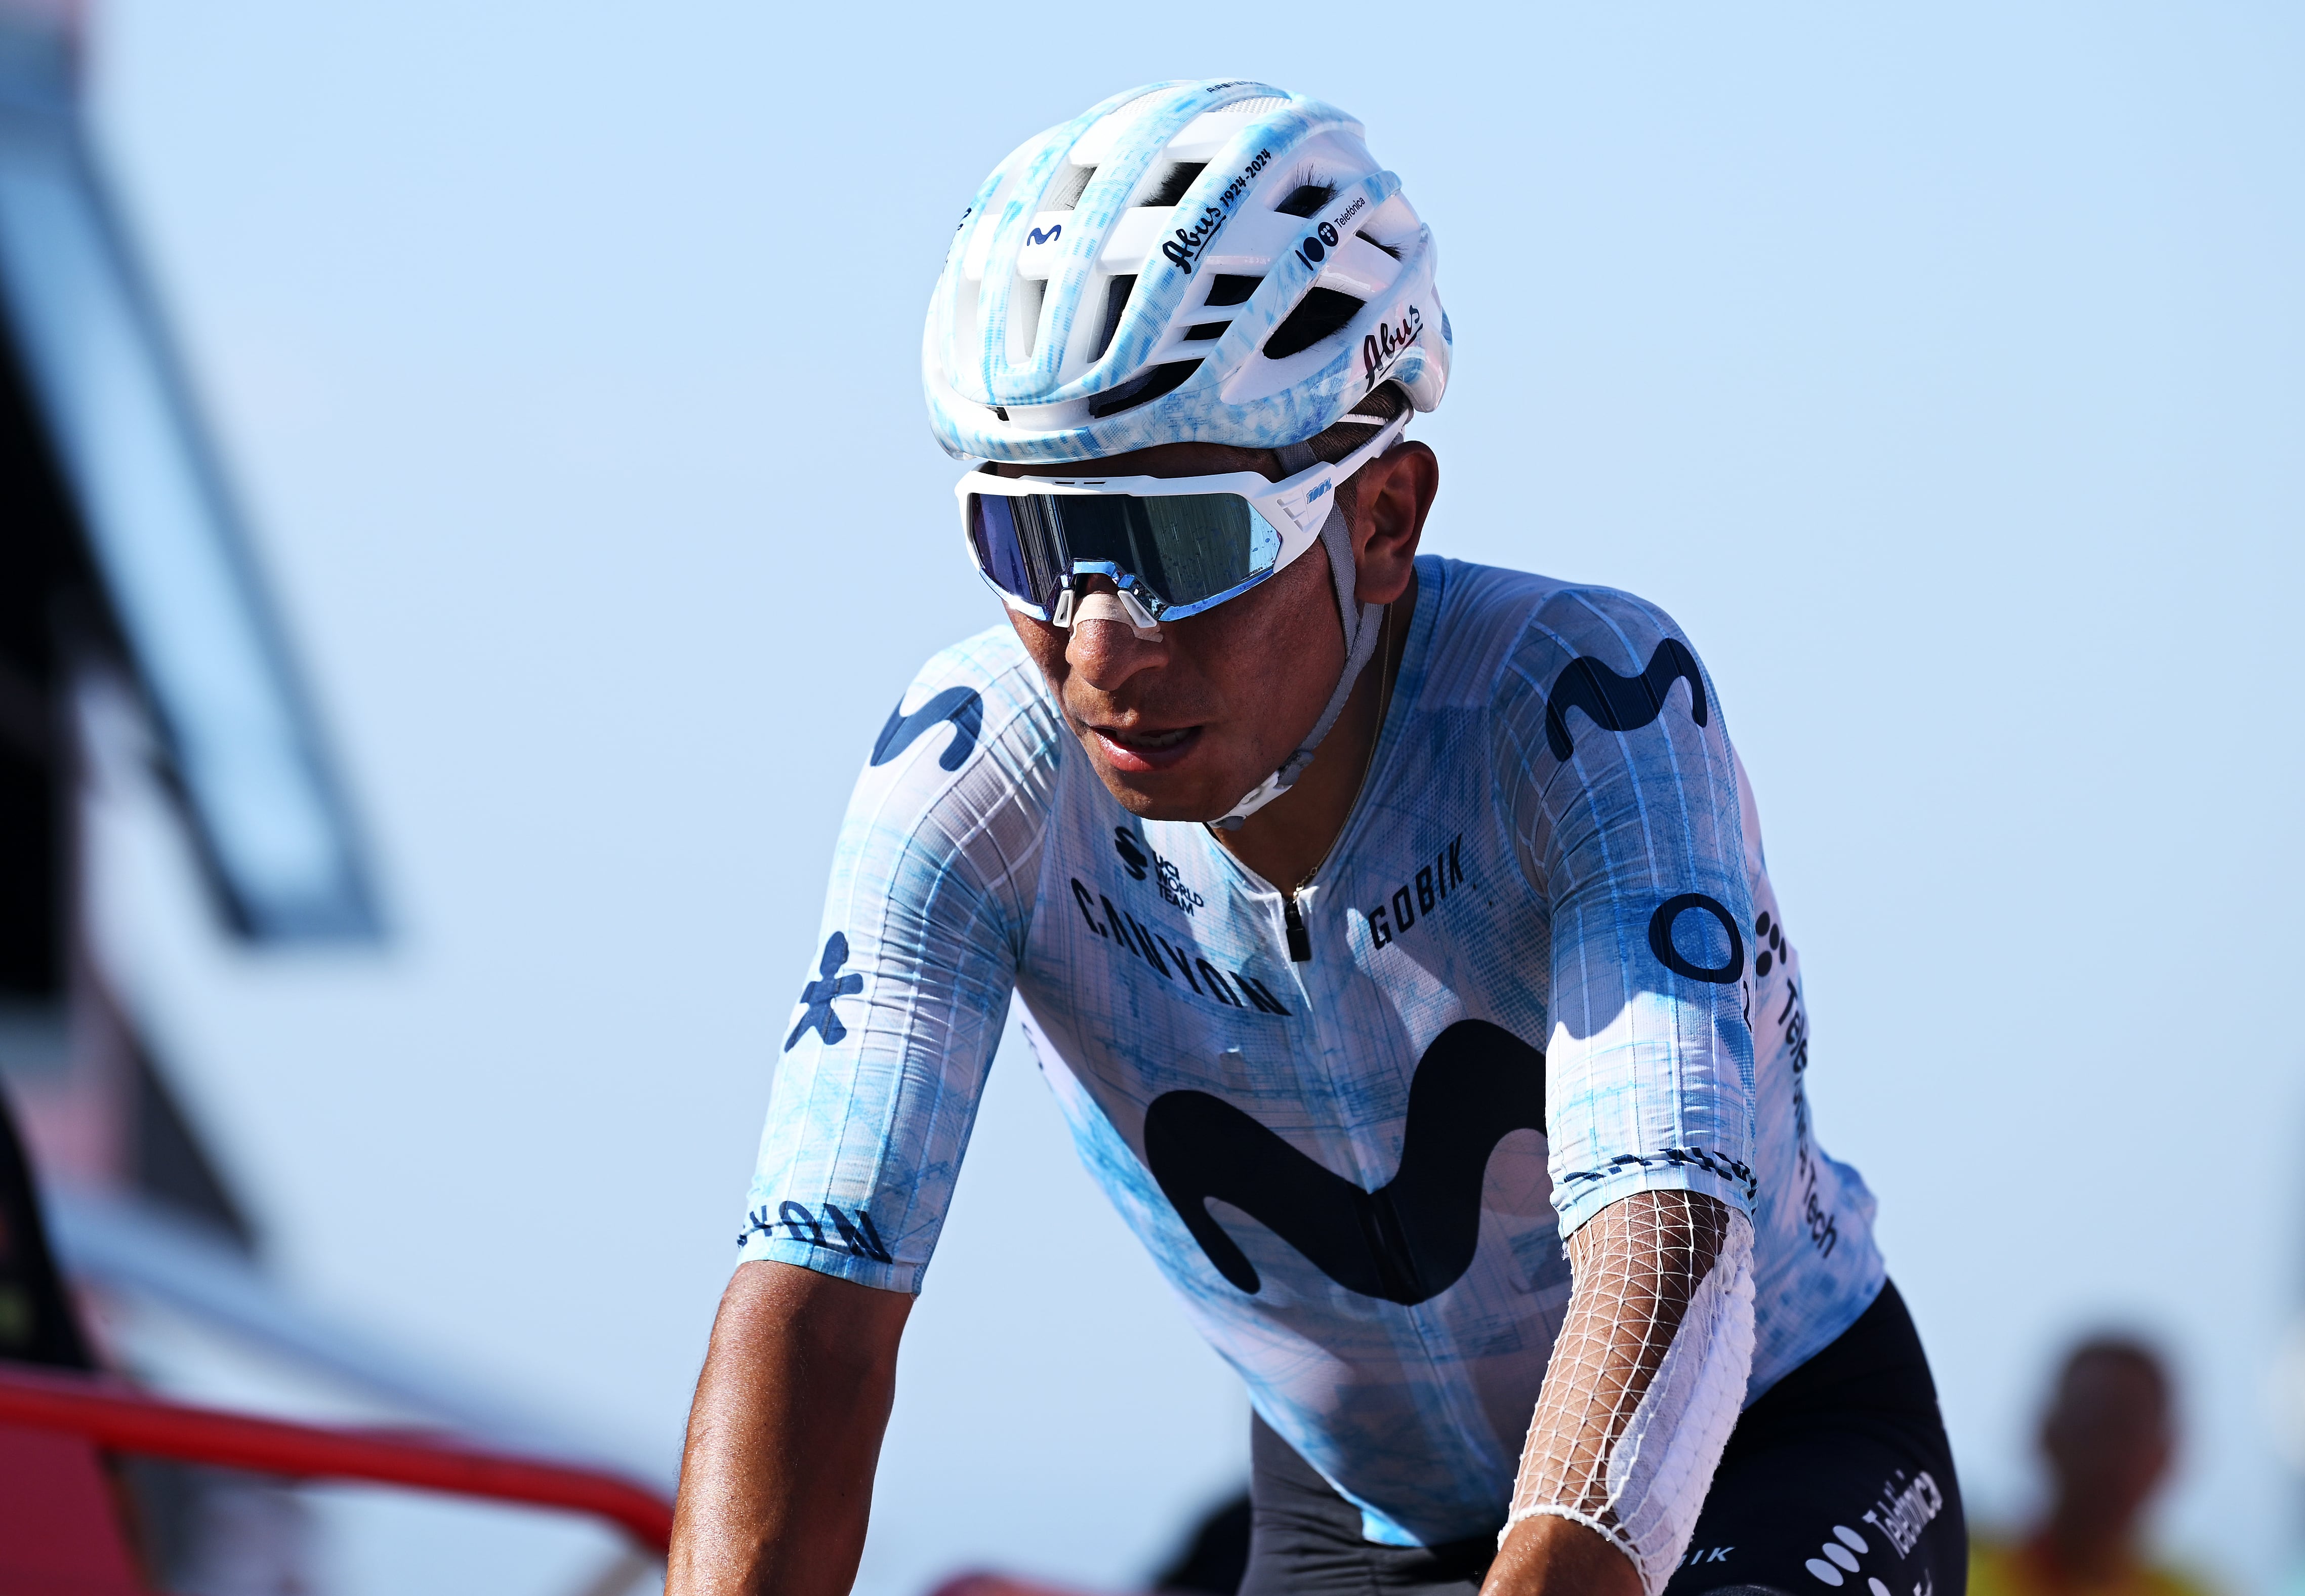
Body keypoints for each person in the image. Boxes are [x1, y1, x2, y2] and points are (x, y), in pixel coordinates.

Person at [667, 80, 1966, 1596]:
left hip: (1758, 1442)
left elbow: (1661, 1242)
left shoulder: (1581, 709)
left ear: (1383, 515)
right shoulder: (970, 775)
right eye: (1026, 539)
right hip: (1361, 1518)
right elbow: (818, 1306)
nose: (1098, 643)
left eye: (1180, 543)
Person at [1969, 1340, 2214, 1596]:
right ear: (2050, 1437)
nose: (2110, 1457)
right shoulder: (1955, 1581)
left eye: (2131, 1434)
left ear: (2165, 1456)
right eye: (2092, 1428)